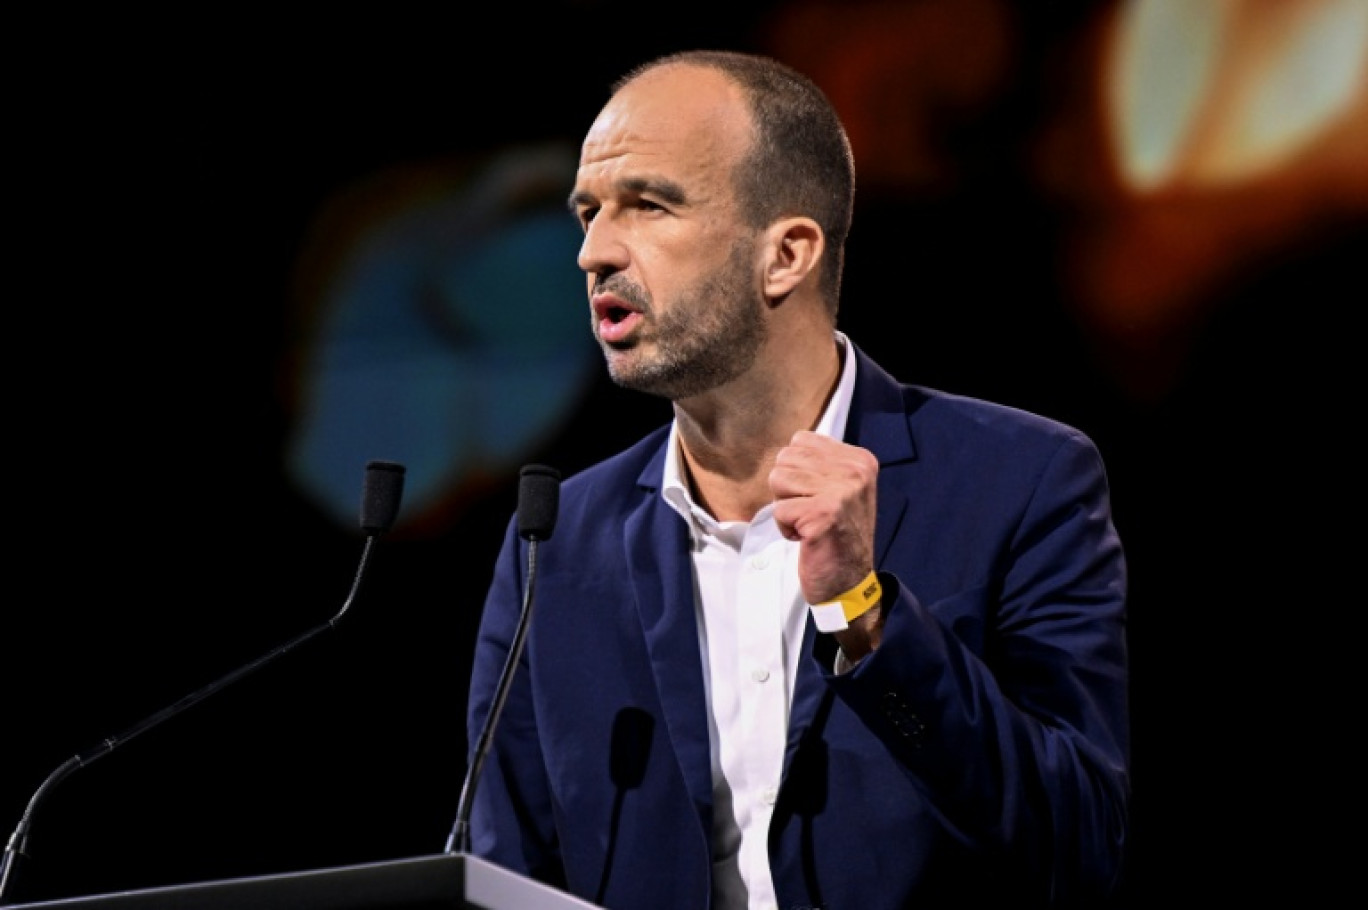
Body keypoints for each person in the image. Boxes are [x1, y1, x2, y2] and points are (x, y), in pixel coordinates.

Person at [464, 49, 1130, 910]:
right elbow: (504, 873)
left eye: (648, 204)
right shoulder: (553, 543)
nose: (593, 251)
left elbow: (1076, 844)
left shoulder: (1023, 483)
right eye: (589, 212)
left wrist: (864, 612)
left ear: (786, 255)